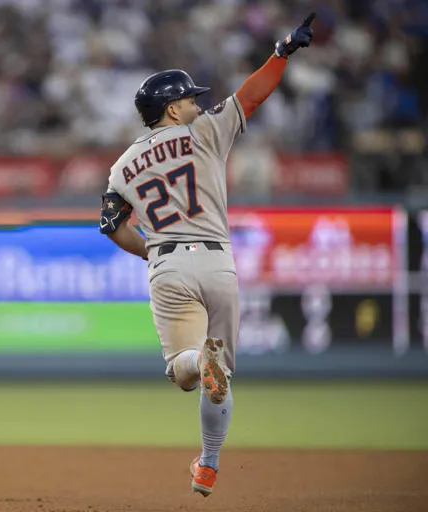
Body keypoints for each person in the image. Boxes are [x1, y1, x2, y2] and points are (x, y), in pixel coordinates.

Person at [98, 13, 316, 497]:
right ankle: (209, 464)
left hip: (169, 262)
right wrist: (280, 53)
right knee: (223, 379)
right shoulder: (206, 132)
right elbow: (253, 95)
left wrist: (149, 252)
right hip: (219, 262)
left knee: (184, 371)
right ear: (170, 110)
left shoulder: (123, 165)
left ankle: (200, 361)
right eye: (189, 99)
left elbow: (110, 225)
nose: (196, 104)